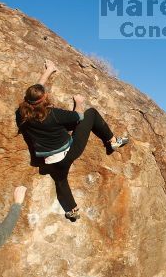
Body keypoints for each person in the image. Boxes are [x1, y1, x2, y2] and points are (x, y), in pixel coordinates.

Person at [15, 60, 128, 222]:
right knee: (91, 113)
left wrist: (48, 71)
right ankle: (112, 141)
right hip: (68, 152)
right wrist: (79, 103)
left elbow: (35, 93)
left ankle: (72, 210)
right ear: (44, 98)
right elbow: (78, 117)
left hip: (48, 161)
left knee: (61, 181)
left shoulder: (22, 114)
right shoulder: (53, 114)